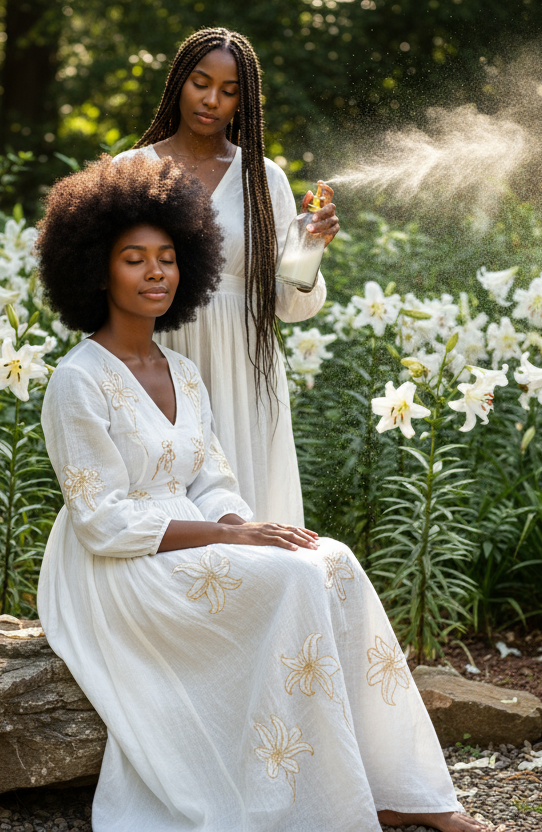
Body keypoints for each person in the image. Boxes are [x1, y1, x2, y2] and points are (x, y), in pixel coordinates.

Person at [33, 153, 487, 832]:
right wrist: (231, 537)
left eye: (167, 257)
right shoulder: (77, 380)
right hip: (114, 571)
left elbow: (211, 478)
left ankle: (402, 789)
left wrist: (244, 525)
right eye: (134, 259)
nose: (155, 272)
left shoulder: (180, 370)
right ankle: (301, 803)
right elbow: (102, 523)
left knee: (329, 561)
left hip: (185, 537)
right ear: (96, 268)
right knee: (292, 582)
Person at [116, 27, 338, 527]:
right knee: (161, 496)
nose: (212, 100)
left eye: (230, 90)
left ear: (244, 100)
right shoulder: (131, 169)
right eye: (200, 82)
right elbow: (102, 274)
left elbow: (289, 304)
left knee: (246, 497)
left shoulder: (264, 178)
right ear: (179, 82)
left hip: (243, 363)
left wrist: (309, 248)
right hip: (159, 354)